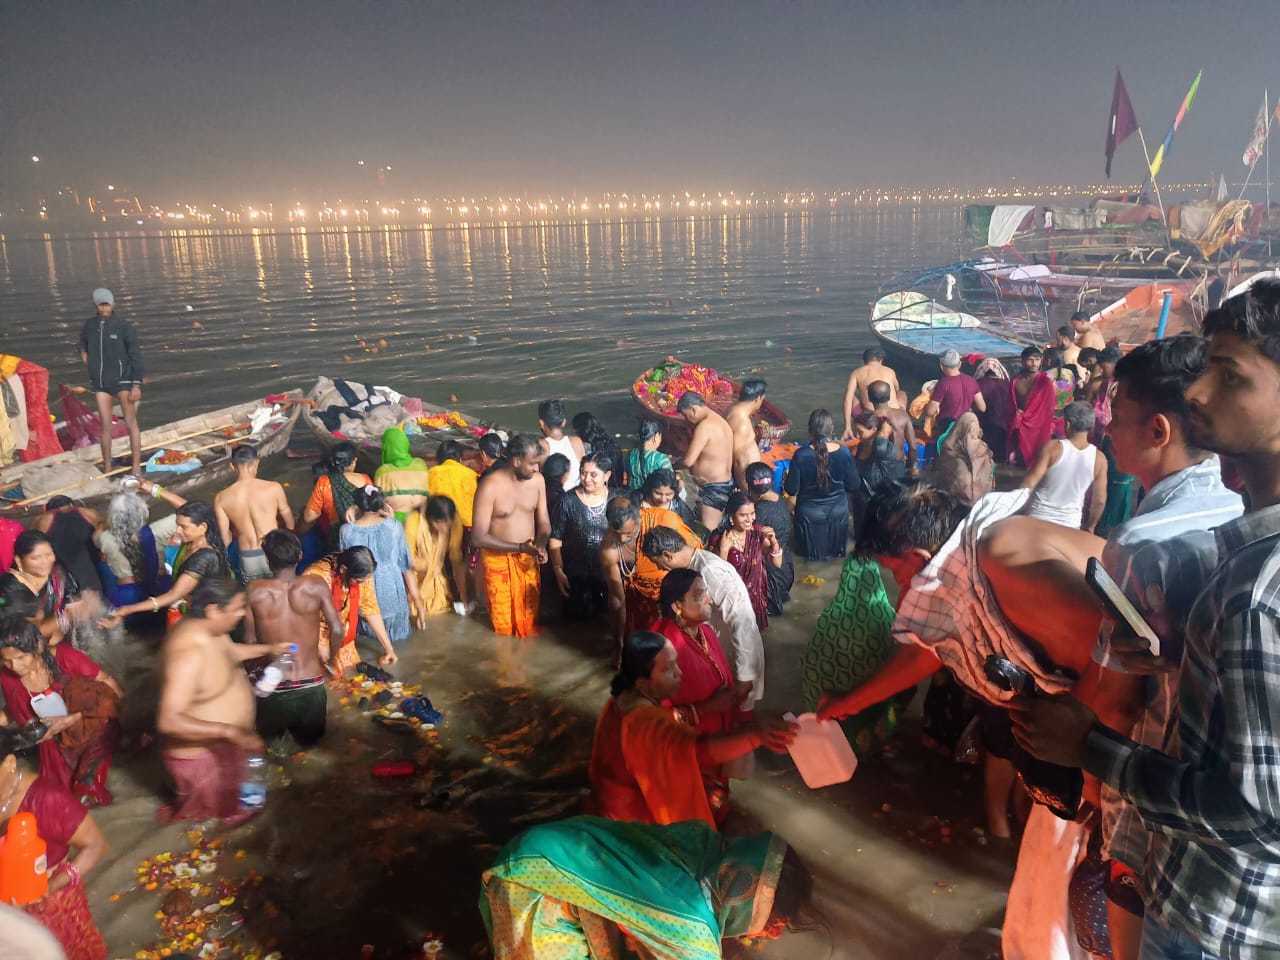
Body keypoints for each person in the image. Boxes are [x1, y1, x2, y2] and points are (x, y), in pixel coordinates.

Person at [1010, 281, 1280, 960]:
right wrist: (1179, 659)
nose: (1197, 393)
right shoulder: (1241, 549)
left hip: (1215, 913)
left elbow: (1256, 812)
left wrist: (1088, 749)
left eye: (1229, 376)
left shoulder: (1255, 588)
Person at [481, 817, 803, 960]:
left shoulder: (704, 841)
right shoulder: (692, 931)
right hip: (538, 882)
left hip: (561, 848)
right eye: (775, 923)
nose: (772, 935)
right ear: (747, 895)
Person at [588, 631, 795, 826]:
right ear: (641, 682)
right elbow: (694, 750)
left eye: (676, 664)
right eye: (667, 669)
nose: (679, 673)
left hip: (609, 804)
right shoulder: (643, 722)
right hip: (633, 820)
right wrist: (754, 735)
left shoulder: (619, 703)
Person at [155, 578, 286, 826]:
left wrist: (270, 648)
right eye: (238, 608)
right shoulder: (186, 652)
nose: (243, 614)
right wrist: (230, 732)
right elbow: (168, 721)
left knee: (249, 810)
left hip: (229, 746)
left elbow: (231, 652)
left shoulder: (211, 630)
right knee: (224, 826)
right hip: (203, 761)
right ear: (213, 610)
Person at [0, 725, 110, 960]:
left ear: (9, 764)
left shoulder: (49, 800)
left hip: (47, 901)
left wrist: (52, 886)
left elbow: (96, 845)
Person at [642, 526, 766, 710]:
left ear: (668, 555)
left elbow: (743, 620)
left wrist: (745, 675)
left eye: (658, 562)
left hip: (735, 660)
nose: (660, 568)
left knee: (735, 723)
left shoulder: (710, 570)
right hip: (716, 655)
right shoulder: (697, 564)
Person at [0, 621, 122, 806]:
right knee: (55, 796)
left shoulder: (65, 657)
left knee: (88, 792)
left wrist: (124, 718)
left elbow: (107, 685)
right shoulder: (7, 676)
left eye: (20, 657)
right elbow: (17, 707)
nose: (15, 666)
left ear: (39, 647)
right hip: (54, 738)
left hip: (94, 726)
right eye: (7, 661)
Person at [243, 530, 343, 747]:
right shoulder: (316, 585)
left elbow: (250, 643)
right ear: (299, 556)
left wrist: (251, 674)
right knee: (312, 752)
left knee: (269, 750)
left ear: (268, 560)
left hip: (274, 685)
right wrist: (331, 662)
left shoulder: (254, 591)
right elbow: (336, 630)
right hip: (311, 683)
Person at [801, 548, 903, 759]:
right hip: (871, 697)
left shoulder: (831, 617)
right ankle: (878, 749)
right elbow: (901, 662)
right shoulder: (886, 616)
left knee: (846, 744)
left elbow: (811, 661)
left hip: (839, 706)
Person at [100, 495, 232, 628]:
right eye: (177, 525)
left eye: (183, 527)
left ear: (203, 527)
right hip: (190, 608)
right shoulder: (189, 543)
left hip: (204, 618)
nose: (178, 531)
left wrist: (126, 610)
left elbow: (174, 595)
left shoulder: (204, 557)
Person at [471, 434, 550, 639]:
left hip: (529, 561)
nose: (536, 469)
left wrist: (540, 546)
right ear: (516, 461)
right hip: (498, 564)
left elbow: (544, 524)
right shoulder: (490, 486)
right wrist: (520, 548)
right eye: (532, 464)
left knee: (529, 621)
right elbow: (478, 537)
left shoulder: (538, 482)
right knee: (503, 627)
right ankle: (505, 666)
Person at [601, 495, 701, 645]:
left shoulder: (665, 521)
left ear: (639, 518)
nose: (622, 539)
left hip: (674, 599)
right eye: (617, 533)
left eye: (628, 533)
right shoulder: (608, 548)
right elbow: (617, 598)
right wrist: (618, 643)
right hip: (639, 605)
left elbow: (695, 559)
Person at [338, 484, 424, 643]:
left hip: (362, 599)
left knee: (366, 643)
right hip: (392, 597)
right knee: (398, 645)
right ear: (381, 503)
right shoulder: (394, 527)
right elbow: (405, 567)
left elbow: (345, 567)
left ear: (358, 504)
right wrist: (418, 603)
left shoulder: (346, 531)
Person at [304, 545, 397, 676]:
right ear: (343, 570)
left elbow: (370, 608)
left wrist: (388, 648)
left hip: (343, 636)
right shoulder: (316, 577)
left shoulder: (362, 576)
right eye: (359, 581)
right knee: (325, 681)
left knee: (354, 679)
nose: (363, 583)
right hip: (314, 634)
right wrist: (319, 646)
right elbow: (300, 618)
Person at [78, 287, 142, 474]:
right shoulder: (90, 325)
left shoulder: (124, 326)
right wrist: (84, 353)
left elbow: (135, 355)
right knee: (105, 425)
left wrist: (135, 383)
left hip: (123, 380)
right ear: (96, 306)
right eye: (101, 304)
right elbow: (82, 341)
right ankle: (107, 466)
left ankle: (136, 466)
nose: (105, 307)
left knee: (131, 422)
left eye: (107, 304)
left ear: (113, 304)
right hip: (100, 382)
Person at [1, 530, 96, 648]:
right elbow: (28, 633)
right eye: (36, 558)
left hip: (56, 641)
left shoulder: (58, 573)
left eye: (49, 555)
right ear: (19, 560)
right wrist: (67, 618)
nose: (45, 562)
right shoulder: (9, 588)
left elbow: (75, 602)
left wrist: (80, 610)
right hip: (19, 651)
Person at [1020, 401, 1107, 531]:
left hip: (1037, 519)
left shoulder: (1052, 448)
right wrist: (1090, 526)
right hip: (1070, 525)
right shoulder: (1099, 459)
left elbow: (1029, 483)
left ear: (1067, 424)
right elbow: (1099, 500)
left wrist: (1015, 512)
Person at [213, 445, 294, 582]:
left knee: (257, 597)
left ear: (232, 466)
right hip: (274, 551)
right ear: (256, 462)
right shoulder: (273, 488)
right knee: (282, 593)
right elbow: (289, 523)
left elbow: (225, 539)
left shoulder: (221, 498)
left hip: (248, 555)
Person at [785, 409, 857, 561]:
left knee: (807, 559)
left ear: (810, 431)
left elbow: (791, 489)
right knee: (836, 557)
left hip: (808, 516)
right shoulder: (844, 453)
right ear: (831, 430)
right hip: (838, 514)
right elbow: (854, 485)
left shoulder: (801, 455)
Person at [549, 452, 613, 621]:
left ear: (607, 475)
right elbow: (556, 537)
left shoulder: (616, 499)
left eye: (593, 474)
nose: (587, 479)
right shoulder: (568, 500)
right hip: (574, 573)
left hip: (607, 573)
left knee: (603, 622)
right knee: (574, 624)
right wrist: (558, 570)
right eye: (583, 473)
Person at [710, 491, 781, 631]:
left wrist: (774, 542)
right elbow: (715, 577)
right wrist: (724, 550)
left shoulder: (757, 533)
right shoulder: (719, 539)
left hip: (755, 598)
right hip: (733, 600)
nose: (750, 519)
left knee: (757, 639)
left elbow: (777, 563)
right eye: (743, 515)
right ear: (731, 518)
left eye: (752, 513)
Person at [93, 490, 170, 620]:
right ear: (142, 512)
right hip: (162, 587)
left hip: (127, 595)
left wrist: (111, 521)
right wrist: (154, 488)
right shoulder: (159, 531)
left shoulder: (105, 538)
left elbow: (97, 533)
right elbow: (188, 510)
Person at [675, 392, 735, 530]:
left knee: (708, 531)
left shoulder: (705, 426)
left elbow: (688, 461)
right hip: (723, 484)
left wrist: (672, 465)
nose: (686, 420)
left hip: (713, 488)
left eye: (685, 415)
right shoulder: (721, 421)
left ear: (694, 409)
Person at [405, 495, 471, 617]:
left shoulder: (455, 522)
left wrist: (463, 596)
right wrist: (425, 565)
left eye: (448, 524)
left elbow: (456, 560)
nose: (445, 529)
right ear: (430, 519)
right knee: (413, 612)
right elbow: (407, 561)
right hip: (415, 576)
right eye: (440, 524)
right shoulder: (414, 522)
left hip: (438, 575)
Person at [744, 461, 794, 616]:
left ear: (750, 486)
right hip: (786, 567)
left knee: (768, 617)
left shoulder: (759, 511)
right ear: (772, 481)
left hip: (771, 574)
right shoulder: (780, 500)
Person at [297, 443, 371, 545]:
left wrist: (298, 535)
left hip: (338, 538)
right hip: (365, 535)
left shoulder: (324, 482)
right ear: (354, 461)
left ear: (333, 462)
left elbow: (309, 517)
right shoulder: (365, 479)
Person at [33, 497, 104, 596]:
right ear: (71, 505)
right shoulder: (88, 513)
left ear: (46, 509)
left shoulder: (43, 520)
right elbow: (104, 531)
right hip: (93, 570)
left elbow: (33, 543)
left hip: (64, 573)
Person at [1008, 346, 1057, 468]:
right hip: (1020, 426)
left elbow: (1049, 408)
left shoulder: (1045, 382)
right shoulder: (1015, 381)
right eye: (1030, 360)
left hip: (1039, 426)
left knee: (1039, 460)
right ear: (1023, 361)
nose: (1034, 363)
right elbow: (1010, 405)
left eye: (1037, 359)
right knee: (1020, 460)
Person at [842, 345, 903, 439]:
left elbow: (847, 399)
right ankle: (903, 415)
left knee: (852, 397)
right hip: (894, 414)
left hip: (872, 418)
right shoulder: (890, 371)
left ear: (864, 361)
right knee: (902, 393)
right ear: (881, 360)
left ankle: (857, 429)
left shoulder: (857, 373)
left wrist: (847, 426)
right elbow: (897, 388)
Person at [933, 412, 994, 505]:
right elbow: (991, 476)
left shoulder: (948, 448)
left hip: (955, 503)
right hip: (980, 502)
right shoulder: (984, 449)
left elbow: (940, 477)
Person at [372, 427, 430, 521]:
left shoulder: (383, 471)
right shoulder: (421, 465)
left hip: (395, 521)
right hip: (420, 520)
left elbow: (377, 503)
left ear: (386, 447)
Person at [925, 350, 986, 433]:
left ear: (942, 367)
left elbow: (930, 411)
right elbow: (982, 408)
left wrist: (925, 404)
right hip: (965, 426)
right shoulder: (972, 381)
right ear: (959, 364)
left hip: (947, 428)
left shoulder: (943, 383)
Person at [426, 439, 478, 529]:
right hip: (466, 526)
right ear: (460, 459)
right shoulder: (471, 474)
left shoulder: (431, 473)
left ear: (438, 459)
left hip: (438, 524)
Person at [868, 380, 917, 475]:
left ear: (869, 398)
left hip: (876, 466)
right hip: (898, 464)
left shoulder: (869, 419)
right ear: (889, 396)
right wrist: (910, 467)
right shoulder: (903, 416)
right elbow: (913, 448)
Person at [726, 378, 766, 491]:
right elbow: (739, 460)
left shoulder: (733, 410)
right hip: (747, 481)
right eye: (763, 399)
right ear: (758, 399)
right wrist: (747, 491)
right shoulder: (742, 422)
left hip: (747, 477)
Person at [537, 399, 584, 491]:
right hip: (578, 496)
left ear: (541, 423)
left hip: (554, 499)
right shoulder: (577, 442)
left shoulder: (542, 445)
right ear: (564, 422)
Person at [975, 357, 1012, 464]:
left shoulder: (979, 384)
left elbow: (977, 407)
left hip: (986, 426)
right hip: (1003, 427)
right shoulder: (1007, 385)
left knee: (984, 459)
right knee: (1000, 458)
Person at [572, 411, 623, 489]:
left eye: (576, 429)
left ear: (580, 430)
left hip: (595, 490)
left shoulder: (585, 448)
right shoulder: (612, 445)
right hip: (614, 487)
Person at [627, 419, 673, 490]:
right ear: (656, 437)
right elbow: (670, 485)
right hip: (652, 499)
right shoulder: (661, 459)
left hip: (633, 496)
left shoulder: (631, 454)